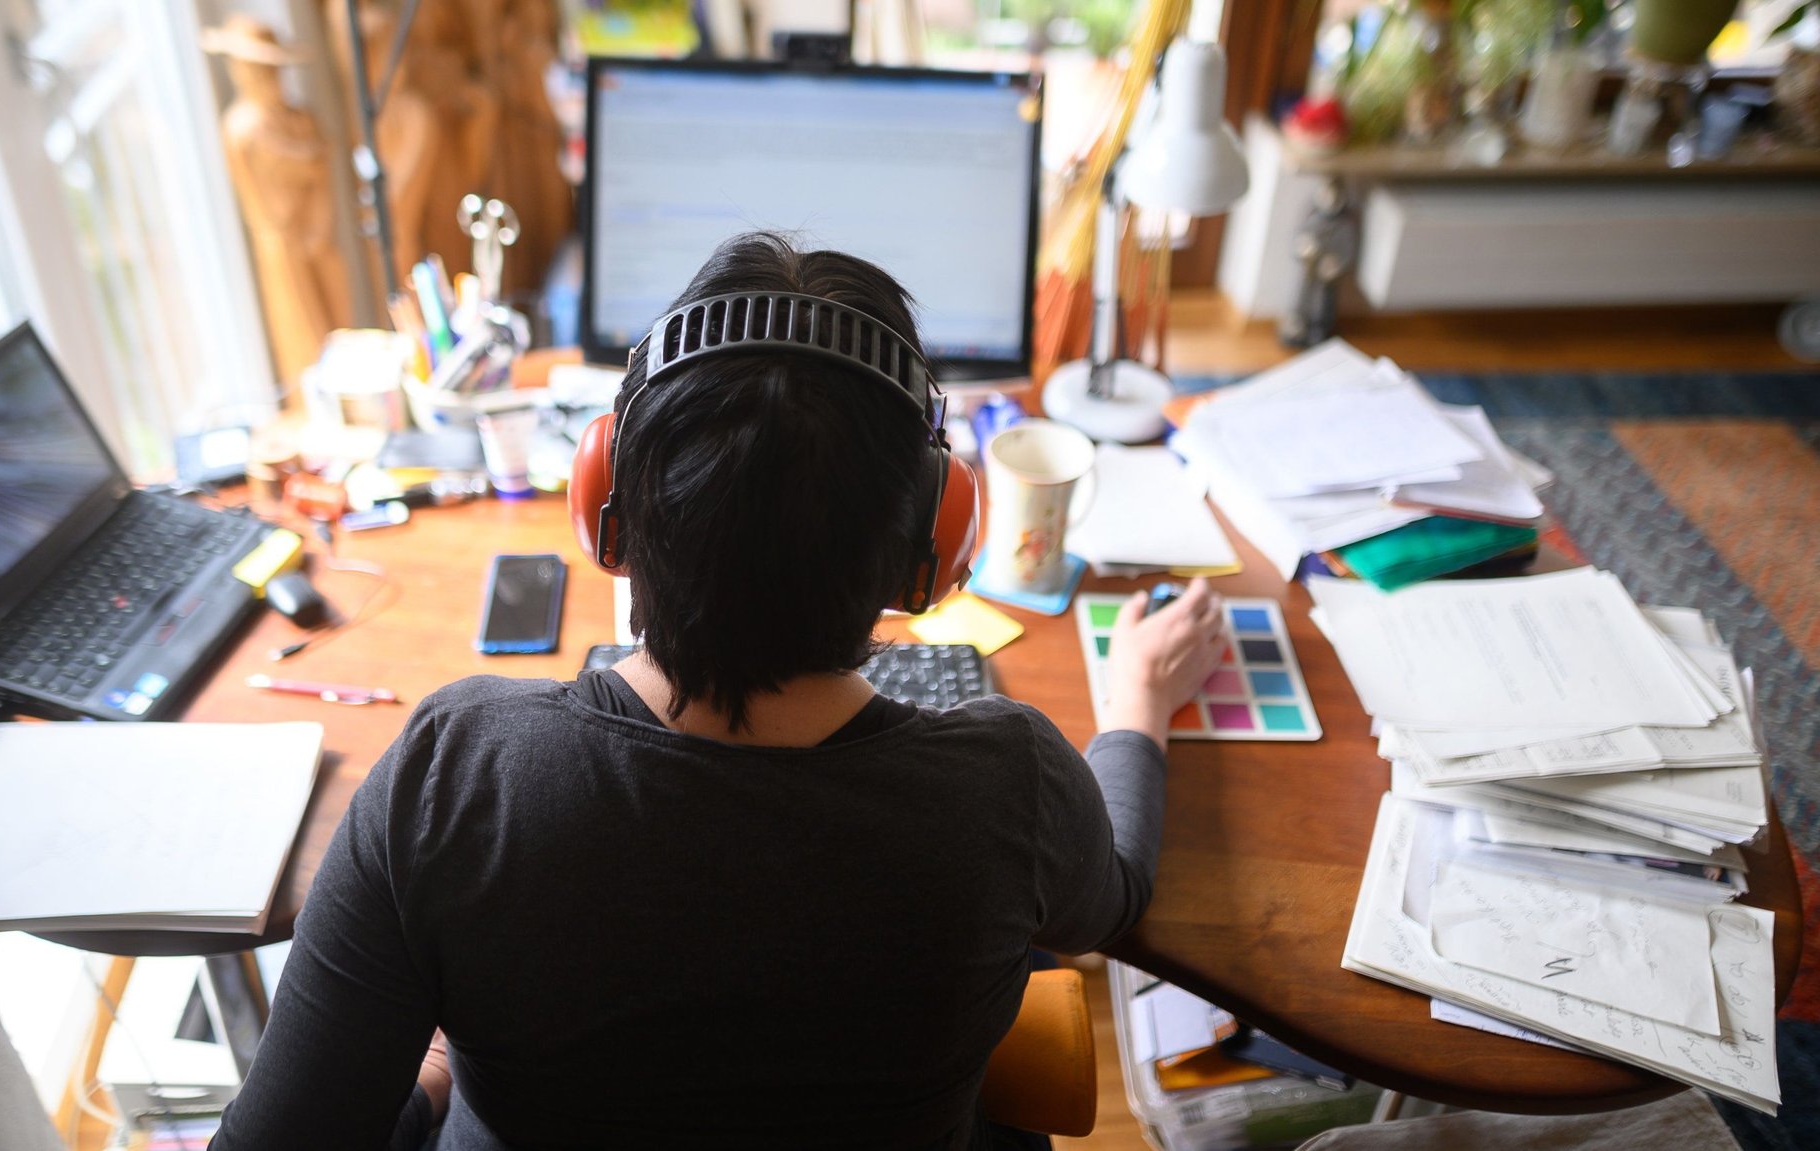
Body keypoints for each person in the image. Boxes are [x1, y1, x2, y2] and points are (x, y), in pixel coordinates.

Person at [211, 233, 1226, 1150]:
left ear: (604, 503)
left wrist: (431, 1083)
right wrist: (1135, 705)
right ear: (930, 550)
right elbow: (1114, 898)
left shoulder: (453, 776)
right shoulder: (1009, 787)